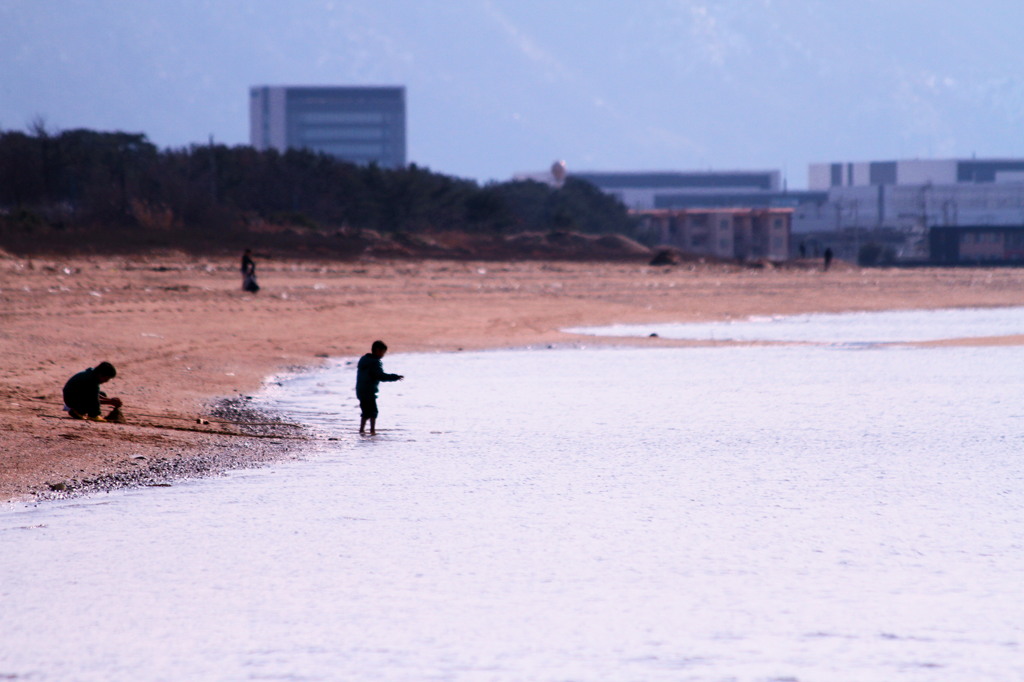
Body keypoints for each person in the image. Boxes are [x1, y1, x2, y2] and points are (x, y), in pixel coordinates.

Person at [355, 340, 404, 435]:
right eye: (383, 352)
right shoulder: (374, 363)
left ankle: (361, 430)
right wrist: (394, 377)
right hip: (369, 391)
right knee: (373, 411)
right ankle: (372, 431)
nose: (383, 355)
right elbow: (380, 376)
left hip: (360, 390)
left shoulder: (364, 360)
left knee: (365, 411)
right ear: (378, 350)